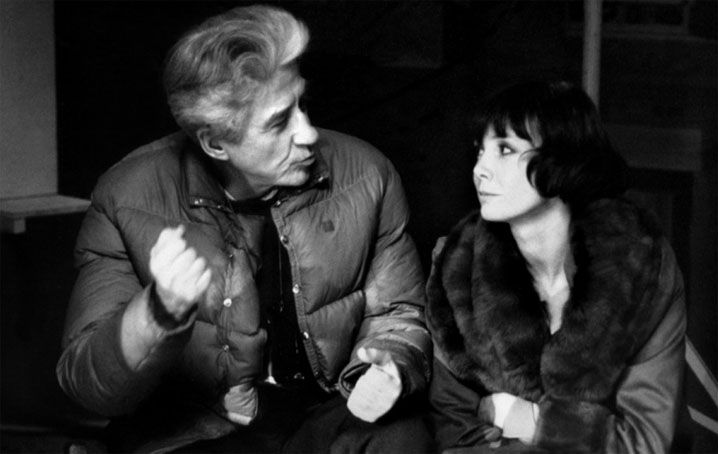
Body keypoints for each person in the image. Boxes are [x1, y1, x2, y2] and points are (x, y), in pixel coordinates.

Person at [56, 5, 433, 453]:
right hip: (198, 428)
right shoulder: (126, 195)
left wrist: (389, 364)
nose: (308, 133)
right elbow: (88, 387)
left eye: (302, 104)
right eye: (279, 121)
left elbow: (397, 312)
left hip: (323, 407)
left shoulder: (368, 174)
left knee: (403, 437)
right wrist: (155, 315)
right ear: (216, 143)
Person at [426, 80, 686, 453]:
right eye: (479, 151)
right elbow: (454, 427)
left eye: (504, 149)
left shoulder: (640, 266)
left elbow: (645, 441)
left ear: (562, 157)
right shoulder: (458, 268)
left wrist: (529, 421)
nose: (480, 169)